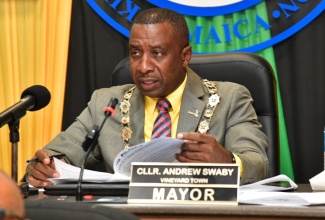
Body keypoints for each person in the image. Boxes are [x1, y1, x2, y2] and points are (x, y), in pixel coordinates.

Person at [26, 8, 269, 187]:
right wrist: (45, 167)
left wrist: (228, 162)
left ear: (185, 56)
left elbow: (258, 164)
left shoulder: (230, 98)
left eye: (157, 53)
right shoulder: (106, 102)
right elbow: (59, 153)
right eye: (135, 53)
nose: (143, 66)